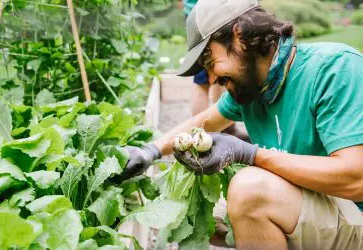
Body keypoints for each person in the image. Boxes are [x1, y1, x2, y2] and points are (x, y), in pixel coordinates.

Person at [122, 0, 363, 249]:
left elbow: (357, 179)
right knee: (185, 213)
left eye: (209, 60)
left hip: (355, 212)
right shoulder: (252, 87)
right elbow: (203, 122)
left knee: (249, 192)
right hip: (312, 203)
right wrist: (150, 151)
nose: (212, 78)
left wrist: (250, 154)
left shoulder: (333, 69)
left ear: (239, 36)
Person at [182, 0, 227, 116]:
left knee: (222, 70)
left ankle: (225, 126)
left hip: (201, 12)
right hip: (208, 13)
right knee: (202, 79)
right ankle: (201, 131)